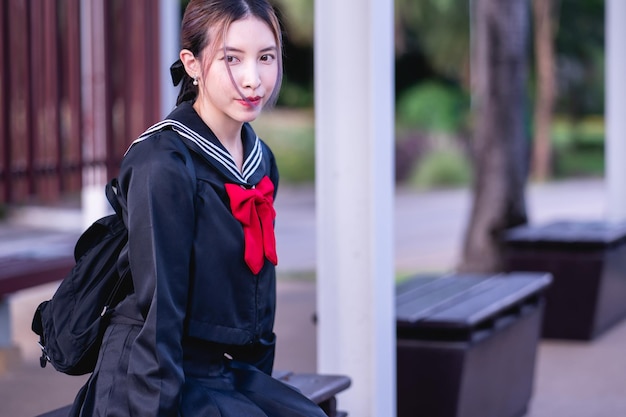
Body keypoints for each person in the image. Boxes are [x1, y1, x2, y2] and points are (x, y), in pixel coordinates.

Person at [69, 1, 327, 416]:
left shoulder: (260, 162)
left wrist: (258, 386)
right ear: (191, 63)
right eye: (231, 58)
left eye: (266, 57)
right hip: (147, 372)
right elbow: (159, 311)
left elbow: (259, 293)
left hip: (214, 371)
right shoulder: (163, 161)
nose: (252, 79)